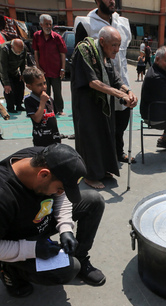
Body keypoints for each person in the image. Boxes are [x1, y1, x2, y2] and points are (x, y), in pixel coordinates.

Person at [0, 144, 107, 297]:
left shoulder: (43, 157)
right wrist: (31, 249)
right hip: (17, 239)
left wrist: (65, 227)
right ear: (43, 175)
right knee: (67, 271)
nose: (61, 193)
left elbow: (62, 195)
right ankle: (9, 269)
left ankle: (80, 256)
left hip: (39, 219)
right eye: (60, 188)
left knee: (94, 201)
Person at [71, 26, 137, 189]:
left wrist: (128, 91)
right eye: (114, 45)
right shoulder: (85, 50)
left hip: (102, 104)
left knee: (105, 136)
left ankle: (103, 170)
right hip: (86, 105)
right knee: (91, 140)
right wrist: (120, 95)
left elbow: (115, 79)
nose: (117, 49)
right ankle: (90, 175)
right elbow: (93, 82)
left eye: (119, 45)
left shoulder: (106, 55)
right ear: (102, 42)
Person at [74, 0, 134, 164]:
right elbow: (90, 77)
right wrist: (119, 91)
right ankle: (96, 164)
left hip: (118, 78)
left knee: (121, 119)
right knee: (99, 126)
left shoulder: (123, 23)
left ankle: (116, 153)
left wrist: (126, 90)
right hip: (95, 87)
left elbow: (120, 59)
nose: (112, 1)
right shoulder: (85, 25)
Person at [33, 14, 67, 115]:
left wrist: (63, 69)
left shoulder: (57, 37)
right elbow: (36, 52)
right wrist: (38, 67)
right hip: (43, 70)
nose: (48, 26)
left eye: (50, 24)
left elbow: (62, 54)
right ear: (41, 24)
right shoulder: (37, 36)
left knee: (57, 92)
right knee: (44, 91)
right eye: (46, 24)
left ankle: (59, 109)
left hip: (56, 70)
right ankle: (47, 109)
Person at [23, 67, 61, 147]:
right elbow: (37, 119)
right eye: (39, 85)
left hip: (54, 138)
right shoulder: (29, 100)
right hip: (41, 140)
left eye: (44, 83)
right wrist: (42, 102)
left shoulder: (49, 99)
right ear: (29, 87)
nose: (44, 87)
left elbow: (53, 117)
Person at [0, 38, 27, 113]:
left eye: (20, 51)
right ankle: (10, 107)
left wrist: (22, 74)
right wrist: (6, 83)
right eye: (17, 51)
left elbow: (23, 62)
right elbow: (3, 67)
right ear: (12, 46)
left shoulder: (23, 48)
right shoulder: (4, 49)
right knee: (9, 89)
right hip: (3, 71)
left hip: (14, 70)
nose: (19, 52)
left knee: (20, 86)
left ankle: (19, 105)